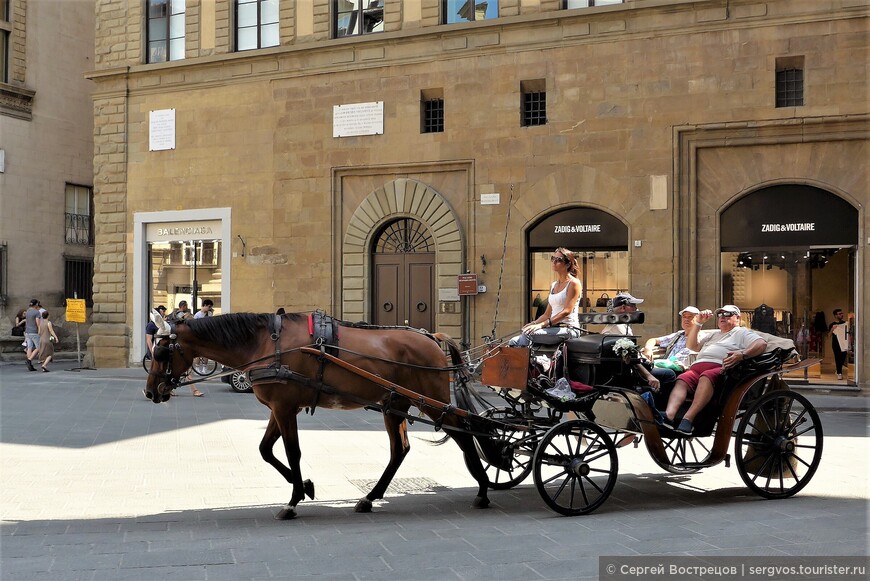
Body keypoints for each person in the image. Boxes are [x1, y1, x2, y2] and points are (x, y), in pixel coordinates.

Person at [661, 305, 767, 435]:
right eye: (720, 314)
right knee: (683, 379)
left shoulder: (741, 332)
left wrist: (743, 354)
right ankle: (669, 415)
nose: (722, 317)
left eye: (727, 314)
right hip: (696, 367)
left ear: (737, 318)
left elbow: (761, 344)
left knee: (706, 376)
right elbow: (692, 346)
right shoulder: (713, 334)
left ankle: (688, 419)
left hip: (720, 369)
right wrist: (699, 323)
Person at [600, 292, 675, 392]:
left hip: (631, 368)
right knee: (669, 374)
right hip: (630, 373)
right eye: (633, 306)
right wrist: (649, 376)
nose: (637, 309)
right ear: (623, 308)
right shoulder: (618, 328)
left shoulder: (620, 325)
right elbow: (630, 358)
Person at [508, 248, 583, 346]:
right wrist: (534, 323)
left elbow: (566, 311)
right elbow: (547, 314)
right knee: (513, 341)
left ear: (568, 264)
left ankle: (528, 361)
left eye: (559, 260)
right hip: (552, 328)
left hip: (569, 329)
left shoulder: (574, 283)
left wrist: (542, 325)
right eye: (553, 258)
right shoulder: (553, 285)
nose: (554, 262)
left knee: (528, 335)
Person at [642, 306, 710, 372]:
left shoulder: (702, 337)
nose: (686, 319)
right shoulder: (679, 335)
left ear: (698, 319)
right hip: (666, 366)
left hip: (681, 369)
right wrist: (648, 349)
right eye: (684, 317)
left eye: (690, 317)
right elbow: (653, 340)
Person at [828, 308, 848, 380]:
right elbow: (829, 335)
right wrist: (832, 329)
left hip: (844, 343)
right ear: (835, 315)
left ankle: (838, 369)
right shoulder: (832, 324)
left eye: (842, 313)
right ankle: (839, 373)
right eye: (839, 314)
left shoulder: (845, 323)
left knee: (843, 357)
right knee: (837, 358)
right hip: (836, 344)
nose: (841, 315)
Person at [24, 299, 42, 371]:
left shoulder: (28, 311)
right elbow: (38, 323)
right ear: (36, 304)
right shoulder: (36, 312)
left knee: (30, 347)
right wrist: (39, 331)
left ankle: (30, 364)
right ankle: (29, 360)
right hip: (34, 331)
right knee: (38, 347)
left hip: (27, 331)